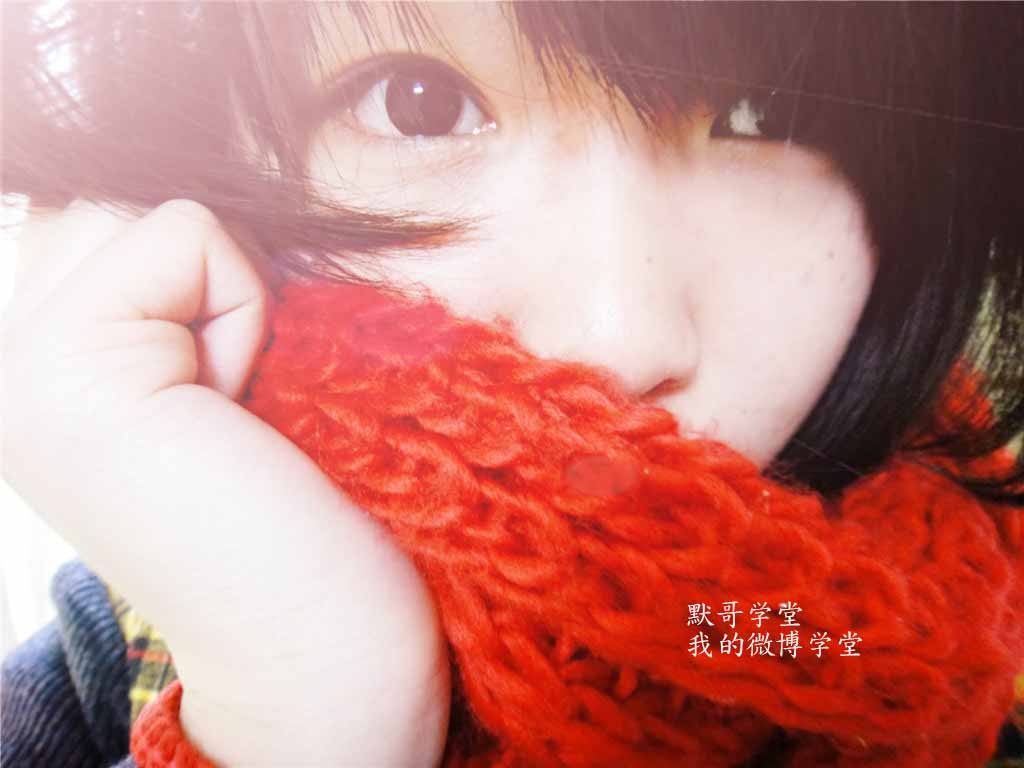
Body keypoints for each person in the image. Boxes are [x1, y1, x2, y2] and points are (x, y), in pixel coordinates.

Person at [1, 2, 1022, 766]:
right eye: (417, 104)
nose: (616, 337)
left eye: (770, 114)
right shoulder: (141, 650)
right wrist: (298, 708)